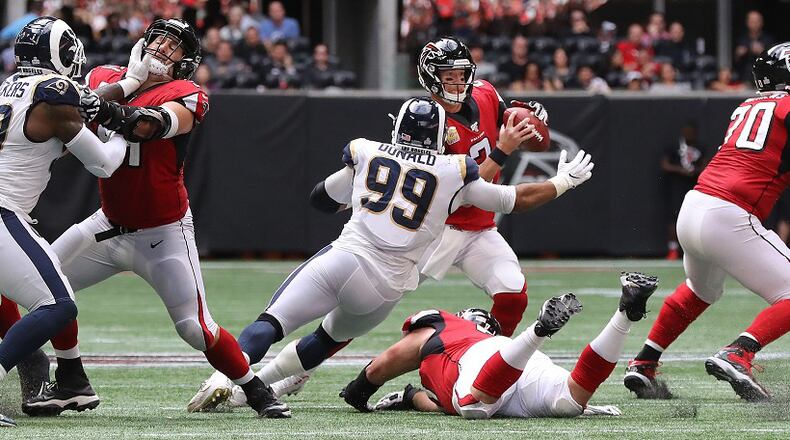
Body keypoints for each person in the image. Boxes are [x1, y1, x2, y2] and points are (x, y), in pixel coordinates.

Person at [186, 97, 595, 414]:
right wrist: (563, 182)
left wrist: (357, 193)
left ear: (397, 128)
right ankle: (268, 383)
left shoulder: (366, 150)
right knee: (326, 339)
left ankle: (226, 375)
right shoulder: (456, 170)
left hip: (346, 257)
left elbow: (320, 200)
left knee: (270, 324)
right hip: (384, 289)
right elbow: (514, 200)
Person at [16, 18, 289, 419]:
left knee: (195, 328)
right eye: (158, 39)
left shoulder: (189, 94)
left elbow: (148, 125)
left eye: (173, 46)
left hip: (163, 232)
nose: (161, 48)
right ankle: (72, 380)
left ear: (186, 62)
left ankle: (256, 389)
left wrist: (115, 98)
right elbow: (74, 109)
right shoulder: (104, 75)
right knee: (50, 292)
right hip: (107, 225)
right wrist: (123, 83)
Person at [624, 43, 790, 402]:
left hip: (696, 205)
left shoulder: (747, 105)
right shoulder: (786, 108)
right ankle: (739, 353)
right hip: (730, 215)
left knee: (701, 290)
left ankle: (644, 362)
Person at [0, 16, 128, 427]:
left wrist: (111, 95)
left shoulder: (10, 88)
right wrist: (124, 124)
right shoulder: (55, 95)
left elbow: (53, 139)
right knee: (58, 304)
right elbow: (106, 165)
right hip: (3, 211)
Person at [341, 273, 658, 419]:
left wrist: (360, 388)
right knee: (568, 401)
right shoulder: (494, 338)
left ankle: (538, 330)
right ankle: (625, 315)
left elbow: (387, 362)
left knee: (473, 405)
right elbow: (439, 405)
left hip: (483, 363)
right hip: (516, 360)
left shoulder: (446, 325)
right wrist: (411, 397)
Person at [660, 122, 707, 260]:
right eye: (686, 132)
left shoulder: (700, 147)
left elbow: (706, 165)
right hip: (676, 187)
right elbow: (665, 165)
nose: (688, 135)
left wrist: (694, 171)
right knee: (674, 217)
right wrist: (681, 170)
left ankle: (695, 250)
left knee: (696, 218)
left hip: (694, 187)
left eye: (691, 132)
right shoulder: (674, 147)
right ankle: (673, 249)